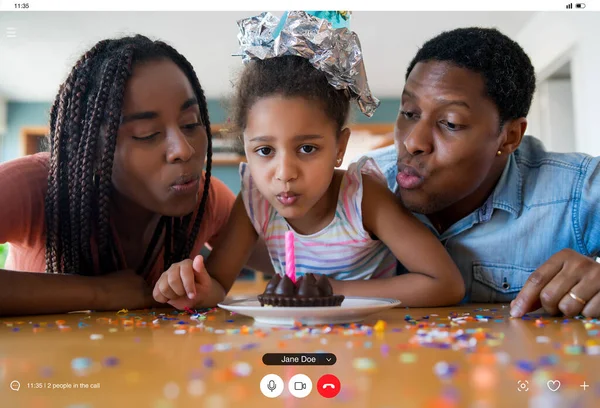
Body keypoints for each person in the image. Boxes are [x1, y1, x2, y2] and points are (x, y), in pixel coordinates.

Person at [153, 11, 465, 308]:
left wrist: (330, 290)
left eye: (307, 149)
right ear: (246, 150)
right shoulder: (254, 201)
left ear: (339, 147)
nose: (285, 173)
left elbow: (444, 283)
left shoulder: (362, 198)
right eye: (265, 151)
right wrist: (190, 287)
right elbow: (217, 286)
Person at [0, 35, 271, 316]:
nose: (183, 149)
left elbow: (293, 262)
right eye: (148, 134)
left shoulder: (205, 198)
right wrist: (99, 292)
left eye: (191, 123)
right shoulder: (34, 185)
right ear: (93, 150)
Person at [366, 27, 600, 317]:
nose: (413, 141)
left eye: (450, 123)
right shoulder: (361, 185)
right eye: (409, 113)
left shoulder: (576, 191)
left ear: (510, 136)